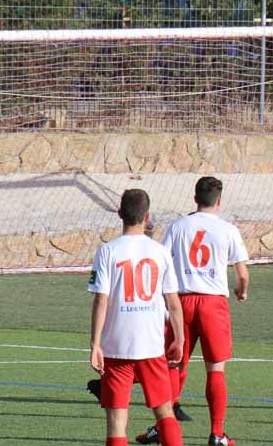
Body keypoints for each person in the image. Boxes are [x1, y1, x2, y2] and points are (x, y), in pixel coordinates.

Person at [137, 177, 249, 446]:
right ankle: (217, 433)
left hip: (182, 302)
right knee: (216, 369)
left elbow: (162, 261)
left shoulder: (178, 226)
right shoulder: (228, 229)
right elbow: (242, 274)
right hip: (213, 304)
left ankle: (163, 426)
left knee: (174, 363)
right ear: (219, 201)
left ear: (195, 199)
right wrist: (241, 290)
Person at [87, 189, 185, 446]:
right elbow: (173, 302)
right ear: (147, 217)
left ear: (119, 214)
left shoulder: (107, 251)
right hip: (151, 345)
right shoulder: (160, 251)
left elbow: (101, 300)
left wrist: (95, 344)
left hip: (116, 346)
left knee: (116, 420)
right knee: (164, 411)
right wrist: (180, 338)